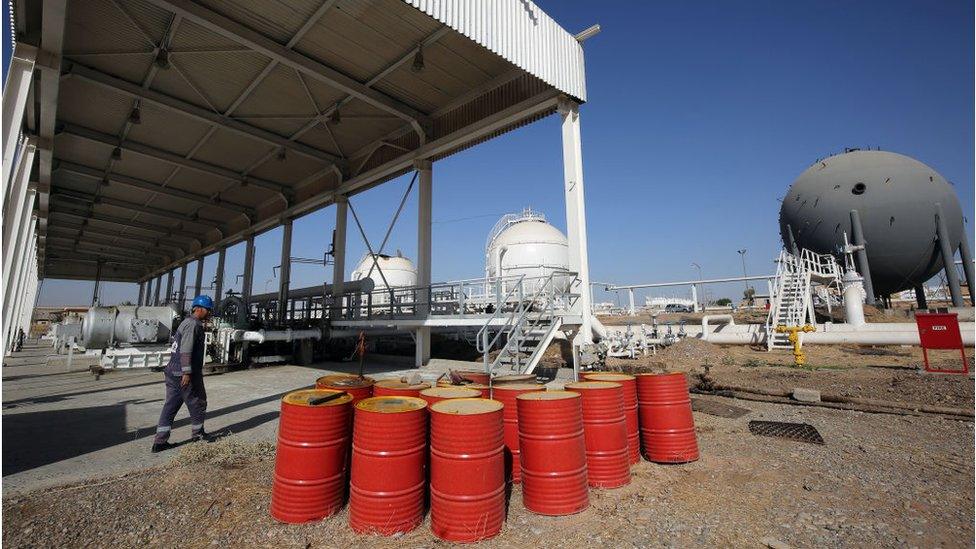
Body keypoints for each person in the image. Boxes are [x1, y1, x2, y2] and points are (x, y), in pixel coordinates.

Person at [152, 295, 214, 453]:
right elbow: (186, 350)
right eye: (207, 310)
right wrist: (186, 373)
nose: (209, 313)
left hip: (172, 371)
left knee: (170, 406)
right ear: (199, 309)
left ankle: (160, 441)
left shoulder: (186, 322)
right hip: (183, 373)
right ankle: (198, 434)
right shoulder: (193, 324)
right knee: (198, 402)